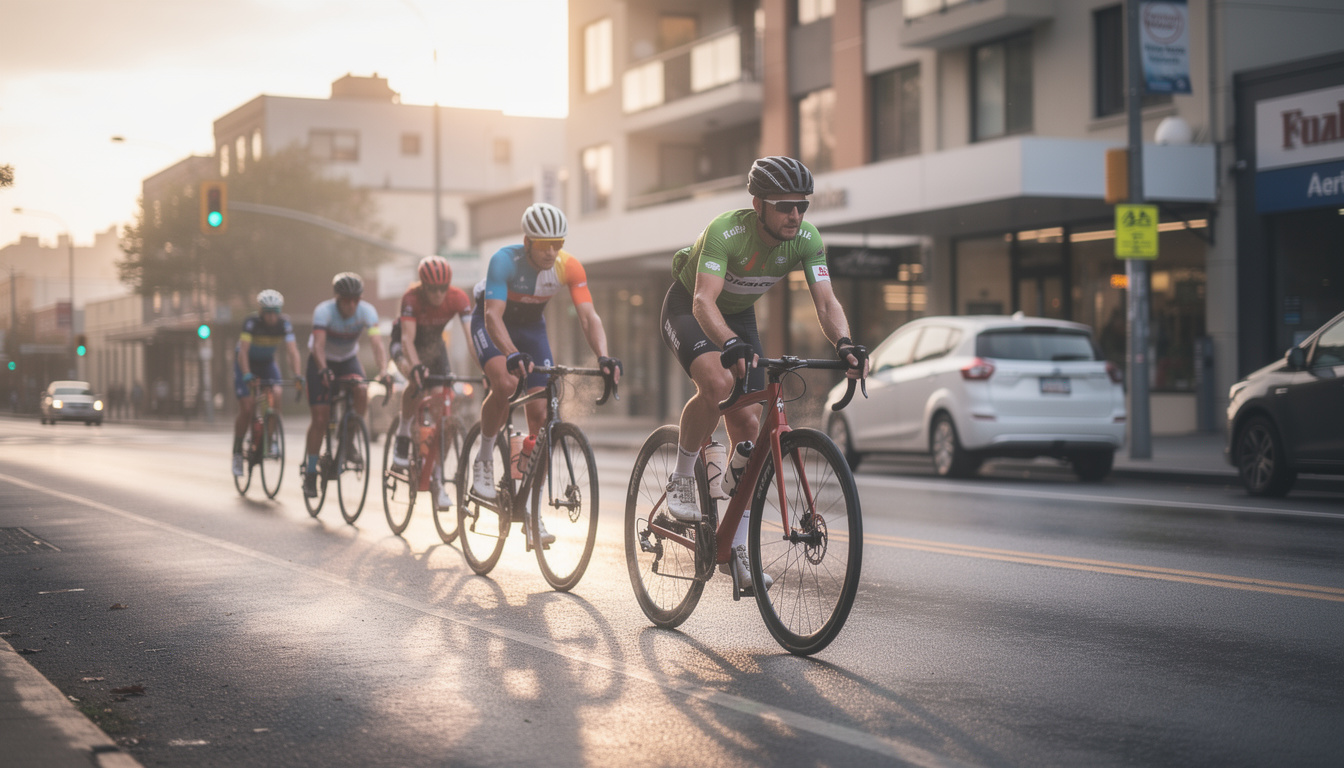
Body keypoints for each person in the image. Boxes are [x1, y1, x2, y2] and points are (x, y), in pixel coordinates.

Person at [659, 156, 868, 593]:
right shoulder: (726, 232)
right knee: (717, 383)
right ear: (759, 205)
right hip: (691, 309)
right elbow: (702, 301)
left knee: (750, 429)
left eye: (802, 206)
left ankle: (734, 547)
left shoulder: (807, 239)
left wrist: (844, 343)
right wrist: (728, 343)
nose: (796, 215)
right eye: (785, 205)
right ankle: (682, 474)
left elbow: (827, 302)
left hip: (738, 316)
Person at [468, 202, 622, 547]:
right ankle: (483, 459)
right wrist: (510, 354)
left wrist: (604, 357)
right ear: (527, 242)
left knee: (542, 415)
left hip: (532, 328)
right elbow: (493, 316)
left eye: (558, 243)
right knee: (506, 384)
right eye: (544, 245)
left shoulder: (569, 266)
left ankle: (532, 514)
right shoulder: (503, 261)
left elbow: (588, 316)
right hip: (493, 323)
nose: (552, 251)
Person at [390, 255, 474, 508]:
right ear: (423, 285)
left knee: (445, 412)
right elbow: (407, 340)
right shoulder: (411, 298)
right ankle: (403, 434)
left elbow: (471, 340)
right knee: (415, 382)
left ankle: (436, 478)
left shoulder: (458, 298)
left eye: (442, 288)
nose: (438, 294)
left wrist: (487, 368)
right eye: (432, 289)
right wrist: (415, 366)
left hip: (435, 347)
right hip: (407, 343)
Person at [302, 272, 391, 498]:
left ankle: (348, 441)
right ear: (337, 298)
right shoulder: (324, 311)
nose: (351, 305)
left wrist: (383, 370)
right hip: (321, 361)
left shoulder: (367, 311)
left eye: (355, 300)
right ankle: (311, 473)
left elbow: (377, 344)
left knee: (361, 389)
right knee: (320, 419)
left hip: (347, 360)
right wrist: (323, 370)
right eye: (346, 300)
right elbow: (319, 347)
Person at [232, 289, 304, 477]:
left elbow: (292, 352)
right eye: (268, 312)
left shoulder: (284, 324)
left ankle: (270, 440)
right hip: (245, 363)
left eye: (275, 312)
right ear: (261, 311)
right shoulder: (251, 323)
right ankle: (238, 452)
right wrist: (247, 374)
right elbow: (243, 352)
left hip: (266, 364)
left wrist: (297, 374)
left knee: (276, 394)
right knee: (247, 408)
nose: (271, 316)